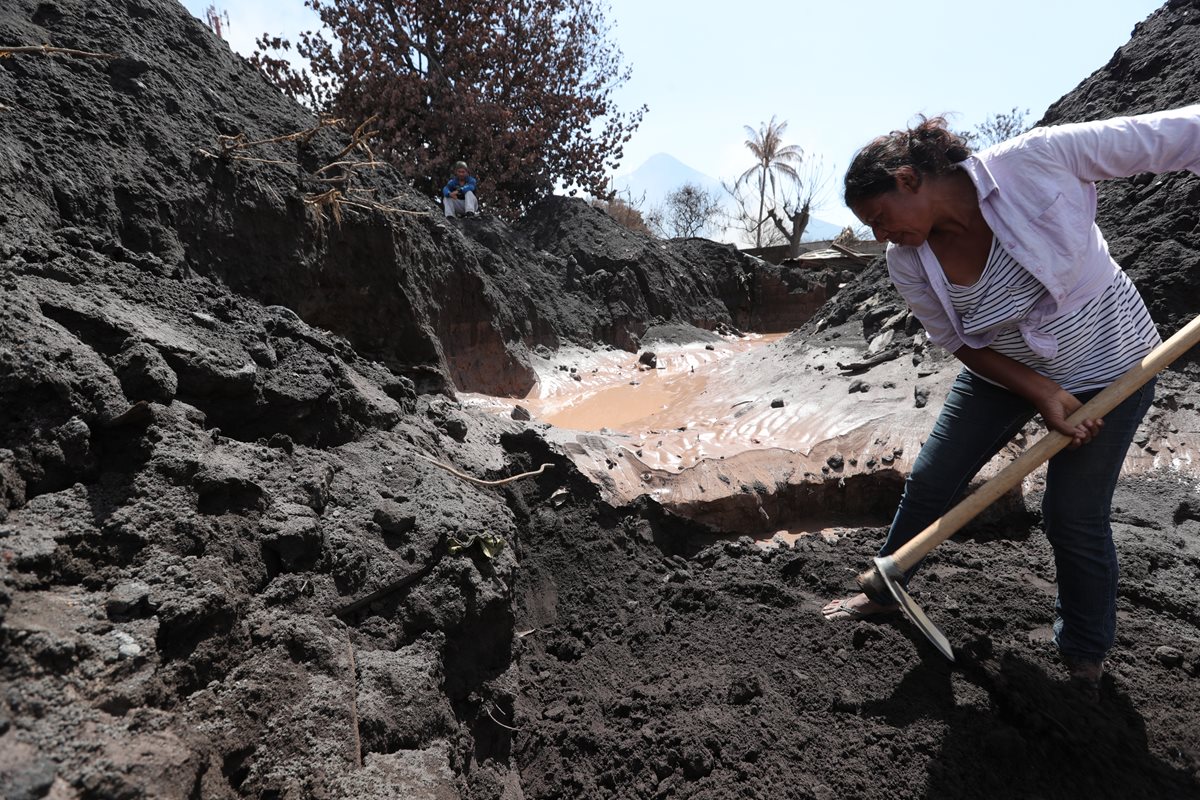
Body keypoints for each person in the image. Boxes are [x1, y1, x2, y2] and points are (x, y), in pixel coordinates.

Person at [820, 106, 1200, 694]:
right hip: (1005, 372)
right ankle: (884, 588)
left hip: (1113, 368)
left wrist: (1068, 392)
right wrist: (1044, 391)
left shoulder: (1036, 161)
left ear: (907, 178)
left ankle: (1084, 654)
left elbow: (1166, 137)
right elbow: (956, 342)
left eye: (879, 216)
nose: (880, 234)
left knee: (1072, 514)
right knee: (932, 477)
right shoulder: (907, 260)